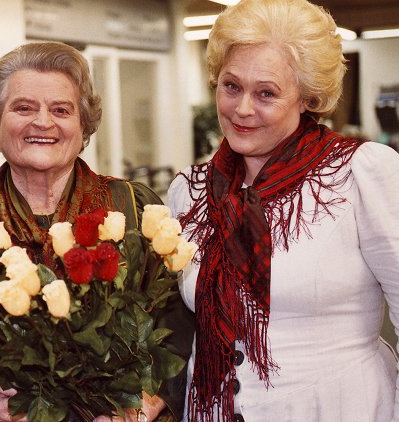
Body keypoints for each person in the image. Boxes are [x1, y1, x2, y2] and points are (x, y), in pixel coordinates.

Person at [0, 41, 195, 422]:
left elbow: (178, 319)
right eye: (23, 108)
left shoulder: (132, 206)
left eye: (61, 110)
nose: (43, 122)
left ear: (84, 126)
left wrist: (147, 401)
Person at [167, 0, 399, 421]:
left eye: (267, 93)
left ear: (308, 97)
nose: (241, 109)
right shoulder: (189, 191)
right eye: (230, 86)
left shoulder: (361, 174)